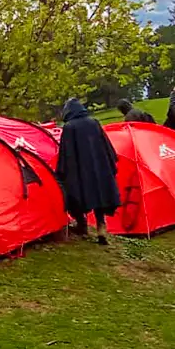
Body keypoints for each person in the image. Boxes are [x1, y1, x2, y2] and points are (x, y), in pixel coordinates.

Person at [55, 98, 121, 245]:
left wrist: (62, 171)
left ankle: (82, 224)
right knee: (100, 196)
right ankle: (101, 227)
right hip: (99, 168)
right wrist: (109, 163)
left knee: (75, 195)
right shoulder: (94, 122)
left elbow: (67, 153)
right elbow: (106, 145)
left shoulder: (69, 127)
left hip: (80, 171)